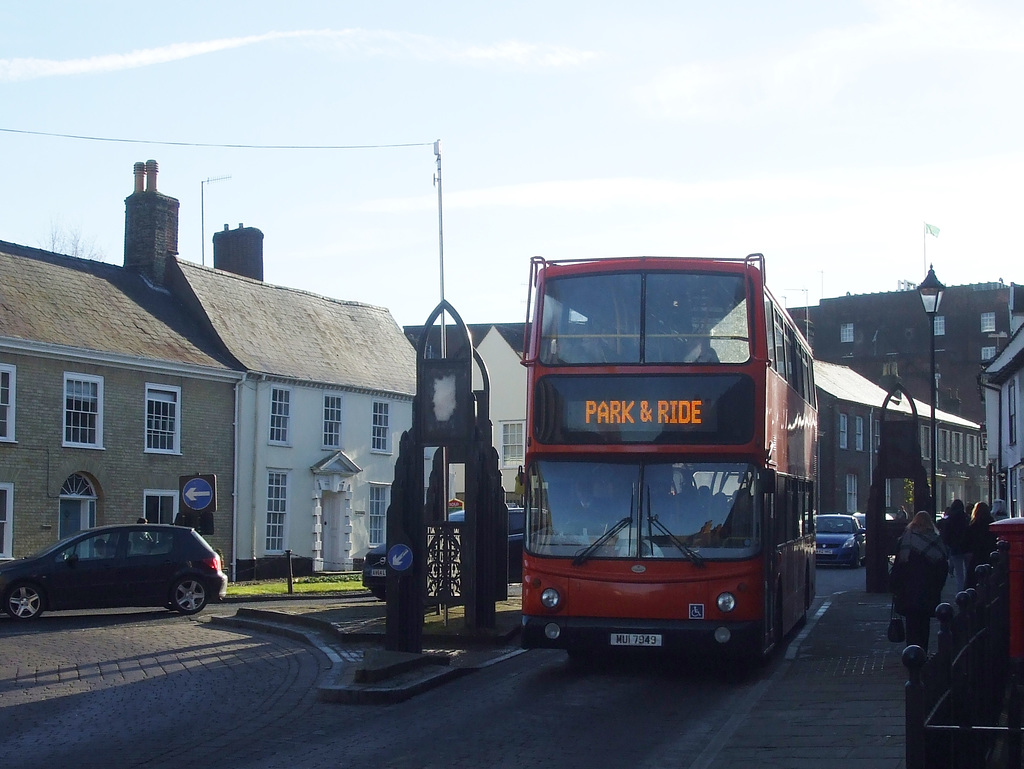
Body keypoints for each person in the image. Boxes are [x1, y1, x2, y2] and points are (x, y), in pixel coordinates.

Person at [891, 511, 949, 653]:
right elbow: (943, 567)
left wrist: (895, 587)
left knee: (911, 624)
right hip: (929, 590)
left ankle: (911, 653)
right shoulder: (937, 540)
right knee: (925, 623)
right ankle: (923, 651)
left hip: (909, 589)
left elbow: (898, 566)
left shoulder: (906, 540)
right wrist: (938, 587)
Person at [964, 501, 998, 589]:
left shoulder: (973, 526)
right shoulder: (992, 526)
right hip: (990, 556)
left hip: (976, 557)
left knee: (973, 582)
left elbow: (966, 544)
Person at [939, 499, 969, 592]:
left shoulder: (949, 519)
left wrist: (948, 544)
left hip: (955, 548)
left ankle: (960, 594)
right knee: (968, 572)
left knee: (959, 574)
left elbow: (945, 534)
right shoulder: (966, 518)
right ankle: (968, 591)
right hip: (967, 548)